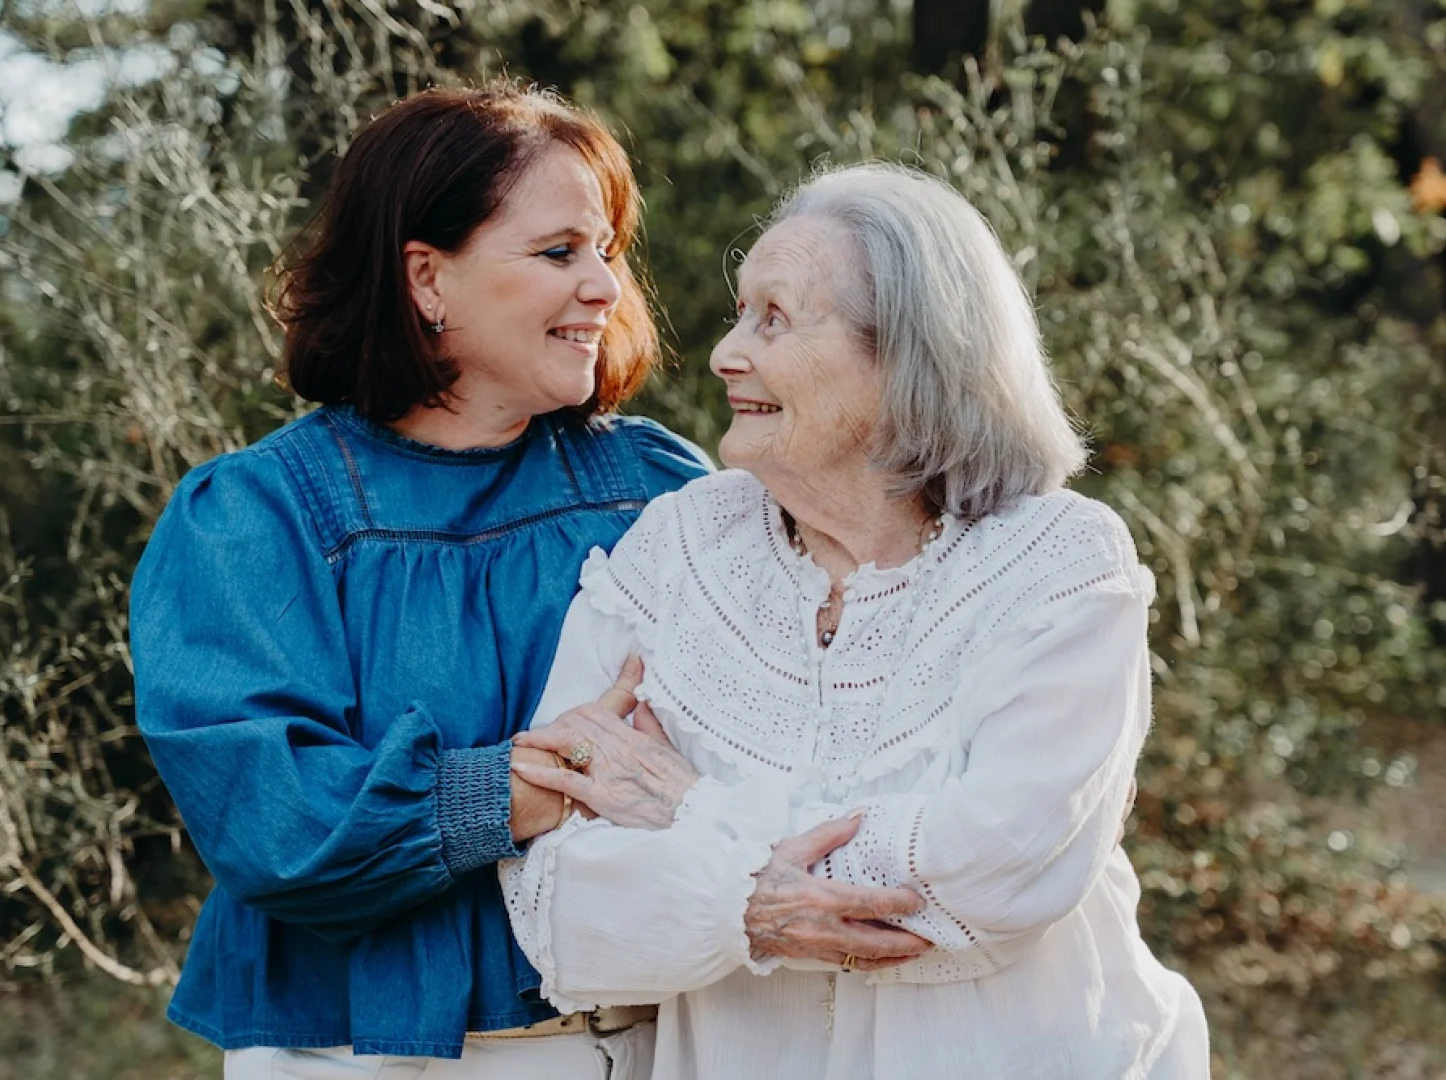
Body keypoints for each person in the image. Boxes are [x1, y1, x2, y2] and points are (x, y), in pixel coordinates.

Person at [129, 86, 928, 1080]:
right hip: (361, 1059)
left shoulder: (660, 486)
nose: (604, 286)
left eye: (605, 250)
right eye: (558, 253)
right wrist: (519, 787)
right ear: (426, 279)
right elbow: (274, 822)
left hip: (652, 1045)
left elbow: (808, 717)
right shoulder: (256, 518)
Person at [500, 163, 1212, 1079]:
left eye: (774, 318)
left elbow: (998, 875)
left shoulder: (1058, 562)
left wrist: (694, 817)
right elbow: (558, 908)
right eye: (737, 314)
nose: (724, 354)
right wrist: (757, 897)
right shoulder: (675, 548)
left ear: (912, 356)